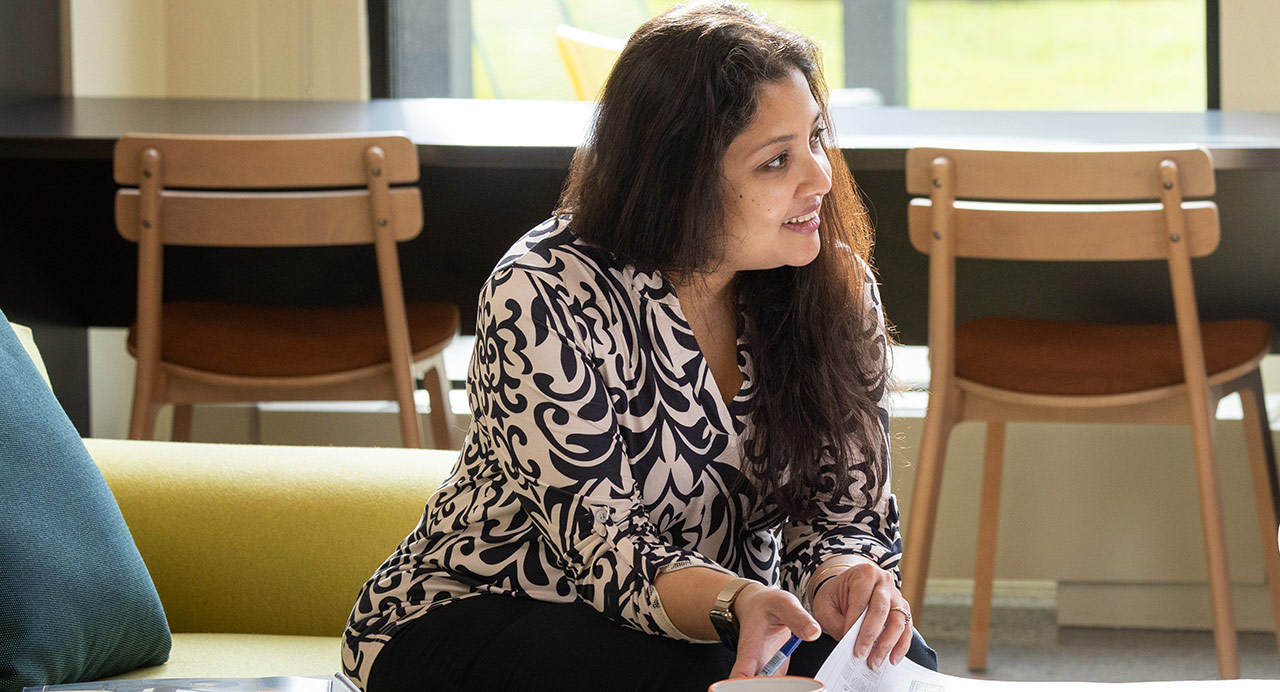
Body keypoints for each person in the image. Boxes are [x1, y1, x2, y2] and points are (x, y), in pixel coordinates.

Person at [342, 2, 935, 690]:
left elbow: (844, 513)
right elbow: (608, 555)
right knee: (703, 675)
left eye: (816, 138)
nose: (821, 177)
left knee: (900, 664)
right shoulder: (543, 292)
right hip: (482, 609)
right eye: (777, 160)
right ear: (678, 179)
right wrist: (738, 600)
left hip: (721, 618)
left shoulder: (833, 289)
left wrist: (845, 578)